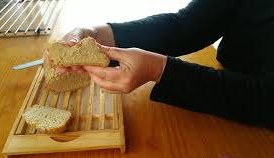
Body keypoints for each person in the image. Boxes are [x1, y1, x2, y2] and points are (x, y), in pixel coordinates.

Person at [45, 0, 274, 129]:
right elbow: (187, 25)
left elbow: (264, 101)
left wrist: (161, 70)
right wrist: (100, 35)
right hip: (225, 86)